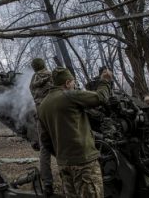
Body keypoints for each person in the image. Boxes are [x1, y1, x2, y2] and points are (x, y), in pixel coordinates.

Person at [38, 67, 113, 198]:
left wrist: (61, 155)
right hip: (84, 163)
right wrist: (105, 81)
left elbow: (44, 140)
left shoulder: (42, 106)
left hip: (64, 165)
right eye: (73, 82)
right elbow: (101, 98)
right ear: (67, 83)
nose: (74, 85)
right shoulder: (69, 95)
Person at [29, 58, 54, 196]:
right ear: (44, 64)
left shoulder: (32, 82)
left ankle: (48, 185)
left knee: (44, 151)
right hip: (54, 115)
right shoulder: (52, 76)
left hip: (41, 117)